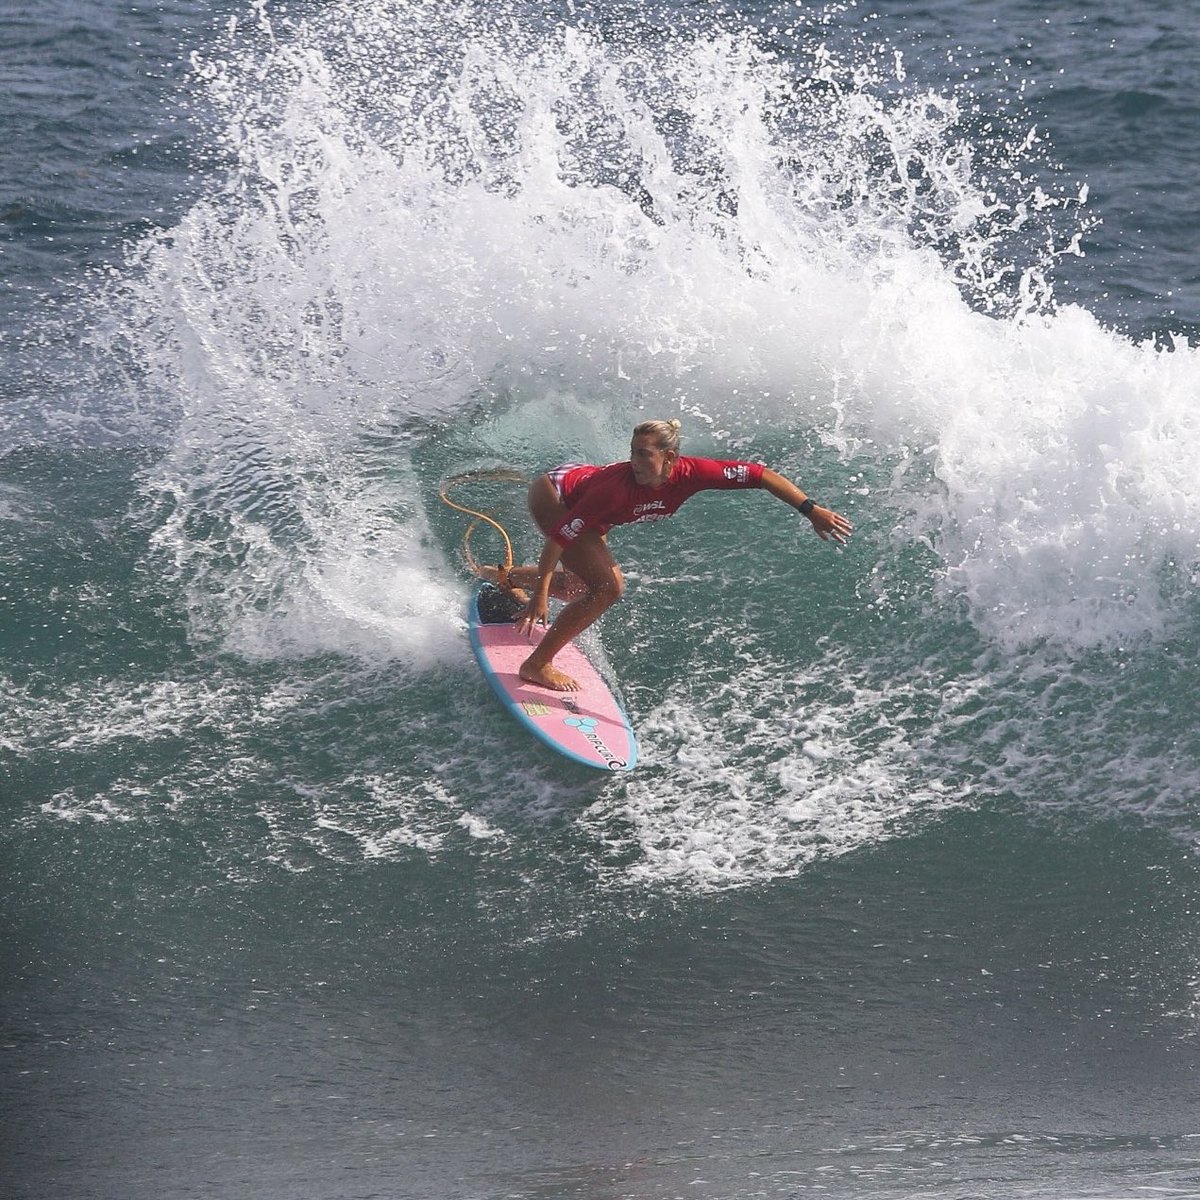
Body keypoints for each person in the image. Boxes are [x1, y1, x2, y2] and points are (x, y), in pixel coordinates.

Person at [483, 419, 853, 691]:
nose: (634, 462)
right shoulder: (615, 489)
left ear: (670, 457)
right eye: (632, 452)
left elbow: (759, 475)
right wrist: (541, 597)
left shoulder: (693, 474)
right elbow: (558, 541)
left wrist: (811, 510)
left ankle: (507, 577)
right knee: (609, 587)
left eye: (644, 454)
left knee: (581, 587)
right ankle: (537, 665)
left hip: (588, 501)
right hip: (556, 496)